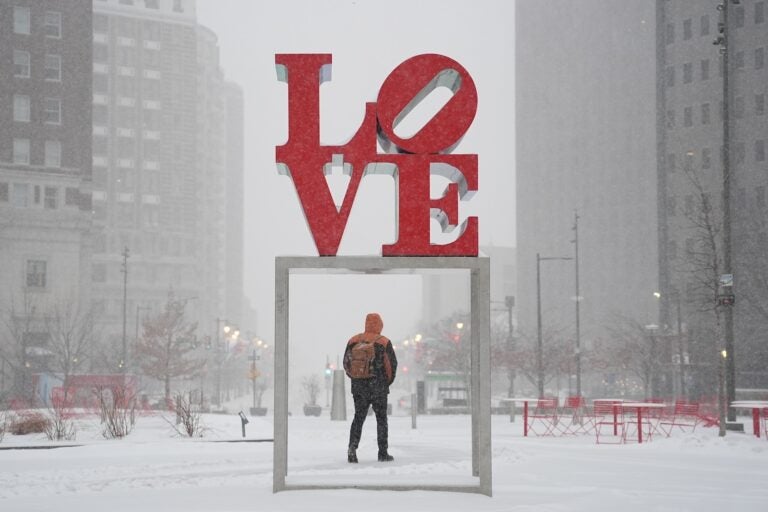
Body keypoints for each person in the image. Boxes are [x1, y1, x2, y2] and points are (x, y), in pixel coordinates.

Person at [343, 312, 397, 463]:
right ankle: (383, 453)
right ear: (380, 325)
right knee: (381, 419)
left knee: (358, 418)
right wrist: (385, 382)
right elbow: (391, 366)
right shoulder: (384, 342)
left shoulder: (353, 340)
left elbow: (346, 363)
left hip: (359, 386)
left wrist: (356, 378)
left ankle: (352, 449)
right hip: (378, 387)